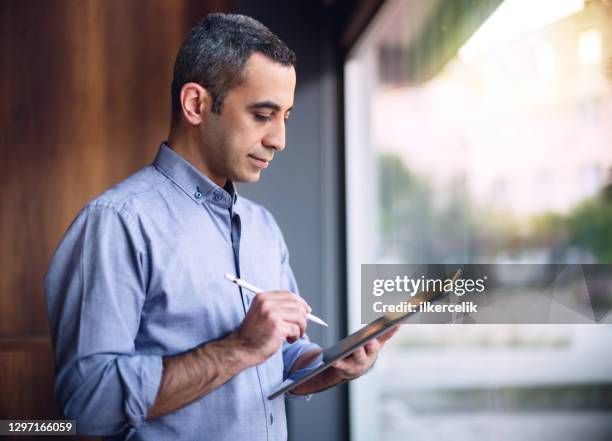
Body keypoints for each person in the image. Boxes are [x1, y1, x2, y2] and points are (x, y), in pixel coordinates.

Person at [45, 13, 397, 440]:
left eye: (285, 115)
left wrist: (325, 367)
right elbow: (87, 405)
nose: (279, 139)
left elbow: (279, 359)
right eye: (263, 115)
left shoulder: (262, 226)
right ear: (195, 104)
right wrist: (239, 348)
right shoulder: (117, 224)